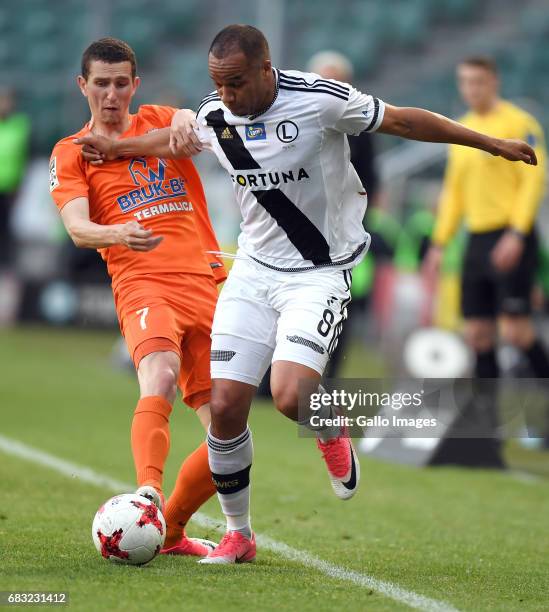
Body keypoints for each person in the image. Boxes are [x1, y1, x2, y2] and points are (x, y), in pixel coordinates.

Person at [77, 26, 536, 564]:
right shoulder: (217, 112)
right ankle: (239, 534)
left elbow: (405, 119)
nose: (225, 95)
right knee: (226, 407)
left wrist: (490, 144)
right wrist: (118, 146)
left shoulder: (320, 99)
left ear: (266, 70)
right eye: (217, 84)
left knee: (291, 395)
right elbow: (179, 139)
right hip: (251, 269)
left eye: (236, 83)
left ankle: (329, 425)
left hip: (319, 271)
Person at [49, 38, 228, 556]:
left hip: (204, 281)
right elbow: (79, 228)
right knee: (162, 374)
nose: (111, 94)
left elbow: (188, 125)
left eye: (120, 83)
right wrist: (118, 233)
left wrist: (187, 119)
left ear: (135, 85)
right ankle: (147, 490)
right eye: (100, 83)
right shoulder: (71, 151)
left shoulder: (158, 117)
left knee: (229, 434)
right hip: (142, 283)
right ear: (82, 86)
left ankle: (169, 530)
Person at [423, 57, 548, 463]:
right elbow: (454, 192)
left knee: (516, 332)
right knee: (478, 334)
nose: (471, 89)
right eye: (465, 82)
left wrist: (517, 231)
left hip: (513, 236)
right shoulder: (461, 130)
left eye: (478, 82)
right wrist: (440, 242)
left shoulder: (520, 122)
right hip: (476, 240)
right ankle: (488, 429)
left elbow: (532, 180)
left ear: (493, 81)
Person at [0, 88, 31, 268]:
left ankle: (7, 266)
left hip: (11, 187)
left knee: (9, 228)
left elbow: (24, 155)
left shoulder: (21, 125)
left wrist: (20, 182)